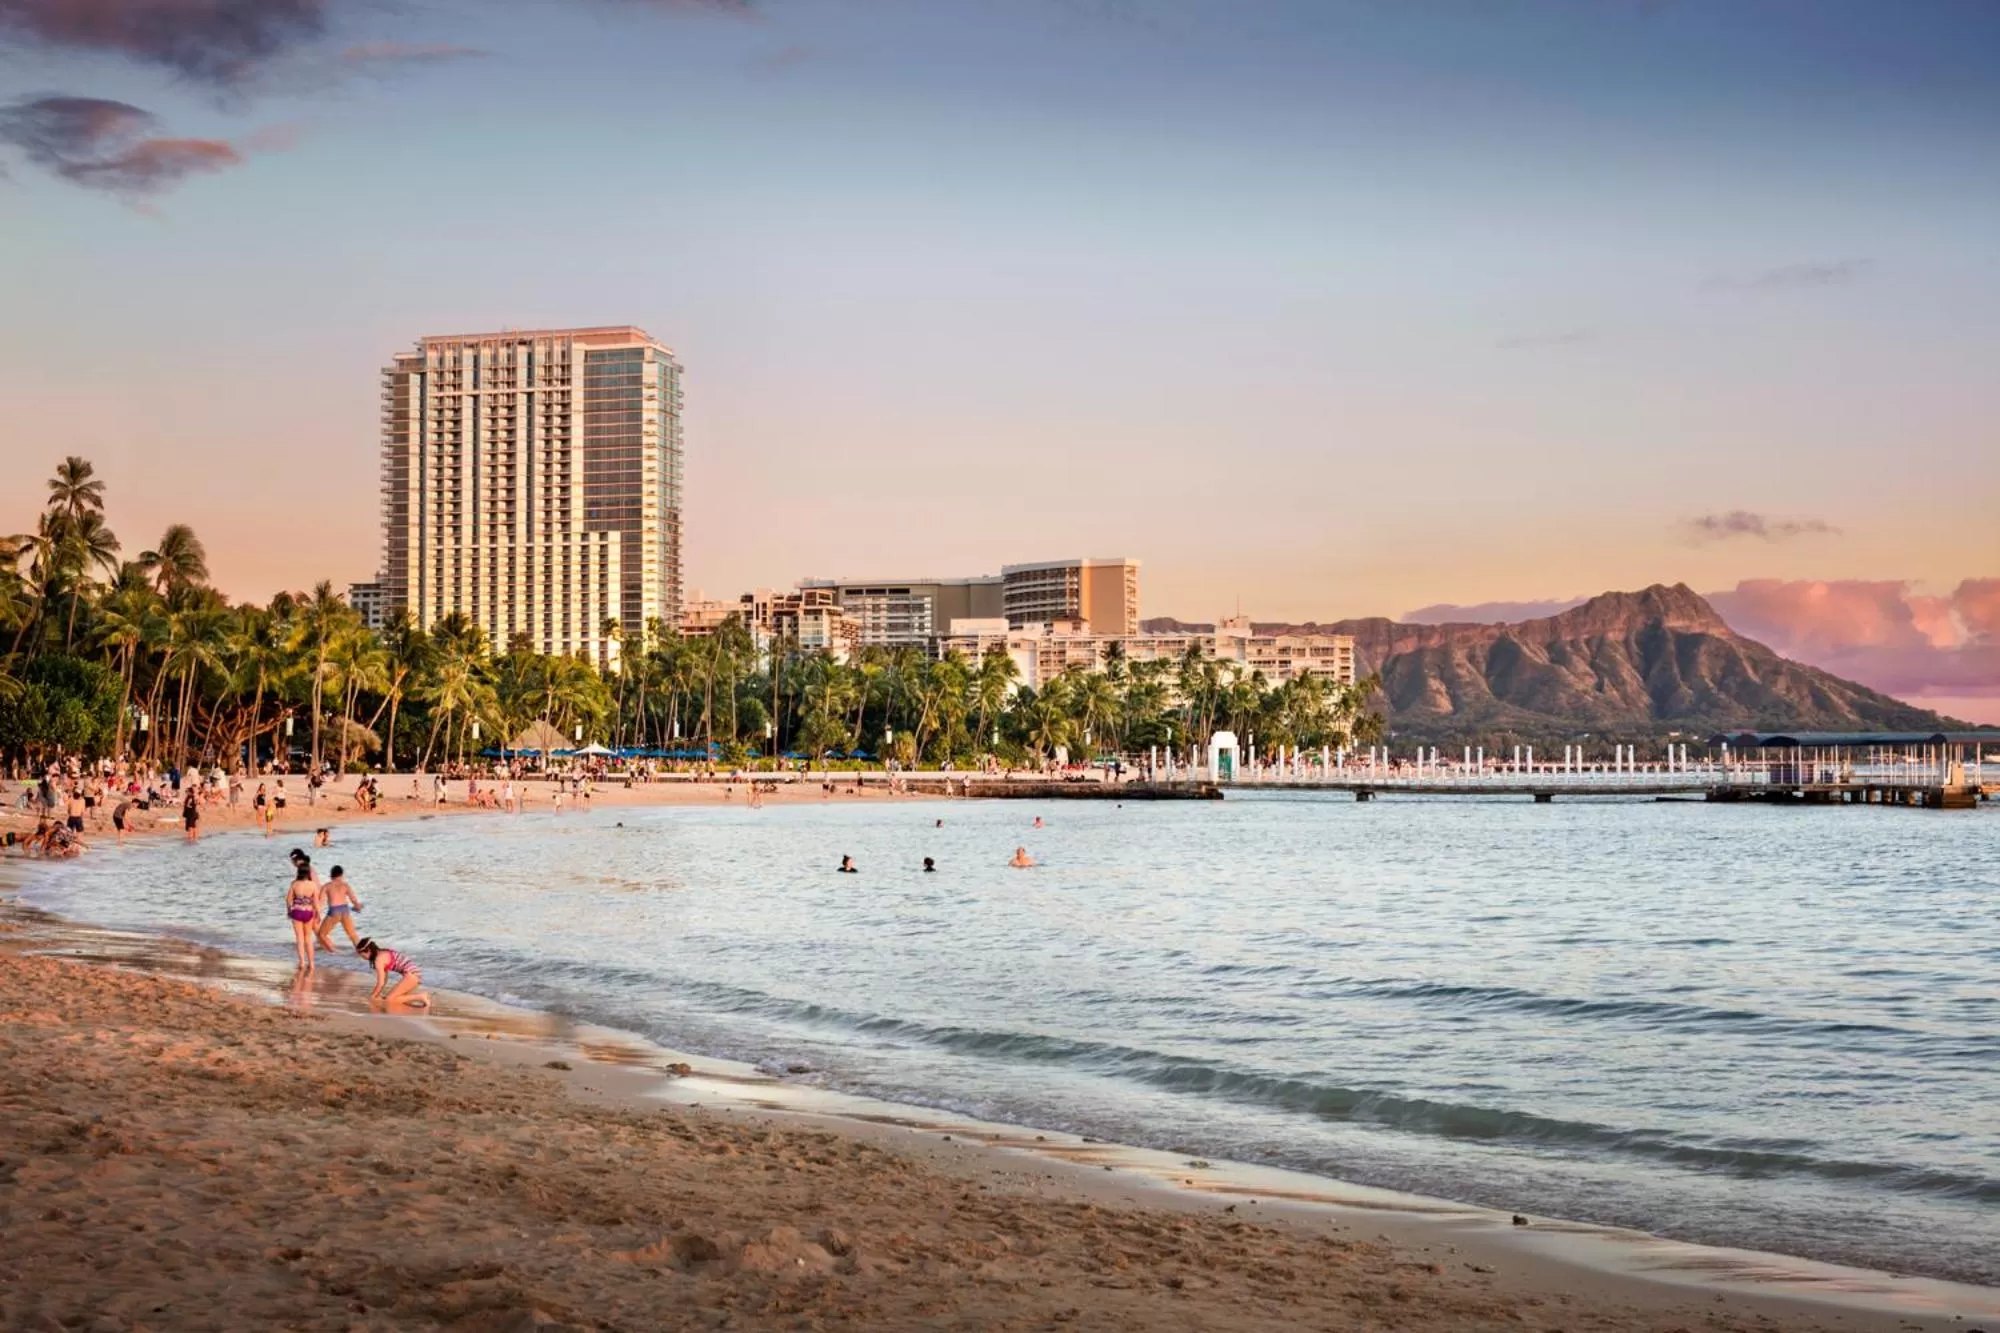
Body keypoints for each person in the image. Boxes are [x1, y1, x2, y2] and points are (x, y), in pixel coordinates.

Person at [355, 937, 430, 1008]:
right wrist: (375, 995)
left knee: (389, 1000)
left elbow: (380, 982)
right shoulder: (383, 953)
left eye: (361, 955)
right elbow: (384, 980)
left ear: (368, 951)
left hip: (411, 976)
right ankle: (420, 997)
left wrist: (373, 996)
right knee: (393, 999)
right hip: (415, 974)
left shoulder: (378, 960)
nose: (362, 957)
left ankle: (420, 996)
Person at [316, 865, 364, 950]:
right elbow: (354, 901)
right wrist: (358, 907)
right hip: (345, 910)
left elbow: (321, 902)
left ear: (331, 875)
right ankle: (362, 953)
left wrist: (316, 913)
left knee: (322, 935)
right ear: (341, 875)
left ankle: (335, 953)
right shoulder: (345, 885)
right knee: (352, 935)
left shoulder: (327, 886)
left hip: (334, 911)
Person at [284, 862, 320, 971]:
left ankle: (302, 962)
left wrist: (288, 911)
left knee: (299, 938)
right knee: (308, 938)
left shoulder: (294, 884)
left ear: (298, 872)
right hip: (308, 912)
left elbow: (288, 899)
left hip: (297, 912)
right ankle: (312, 963)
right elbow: (316, 901)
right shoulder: (312, 885)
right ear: (308, 873)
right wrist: (318, 913)